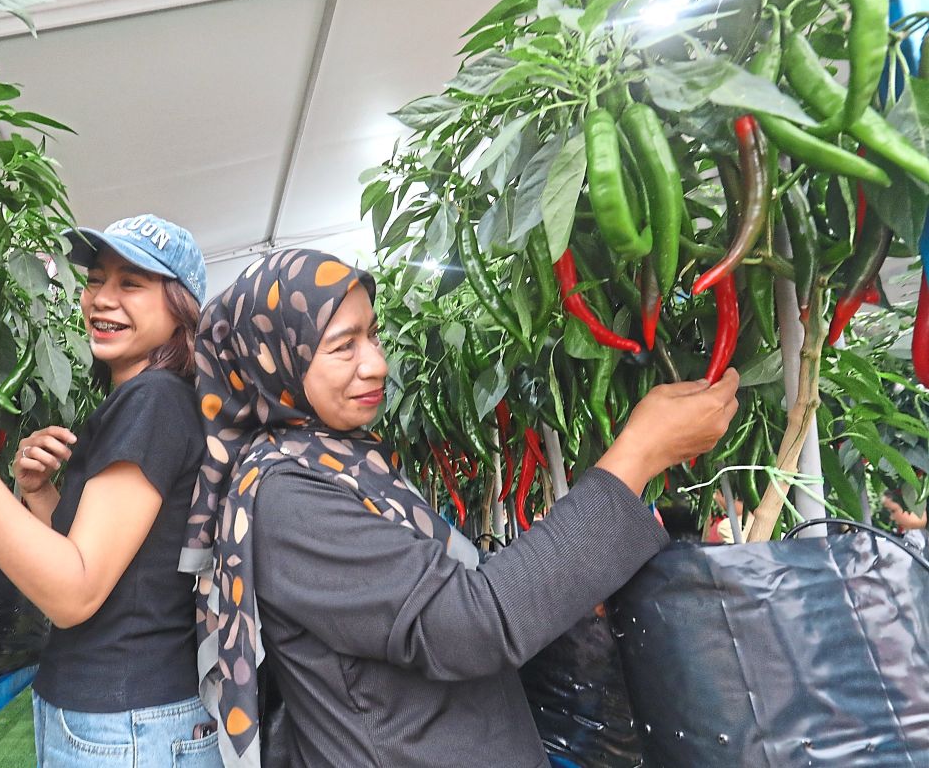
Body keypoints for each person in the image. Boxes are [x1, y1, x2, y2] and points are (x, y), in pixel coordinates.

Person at [178, 249, 740, 768]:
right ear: (274, 360)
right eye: (343, 346)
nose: (376, 363)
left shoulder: (333, 458)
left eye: (373, 335)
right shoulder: (286, 497)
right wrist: (636, 455)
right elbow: (468, 623)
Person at [0, 215, 223, 767]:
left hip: (127, 720)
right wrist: (40, 492)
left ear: (181, 307)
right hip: (118, 712)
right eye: (97, 279)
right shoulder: (145, 400)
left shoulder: (154, 400)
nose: (102, 299)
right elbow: (96, 560)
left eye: (131, 284)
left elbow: (74, 593)